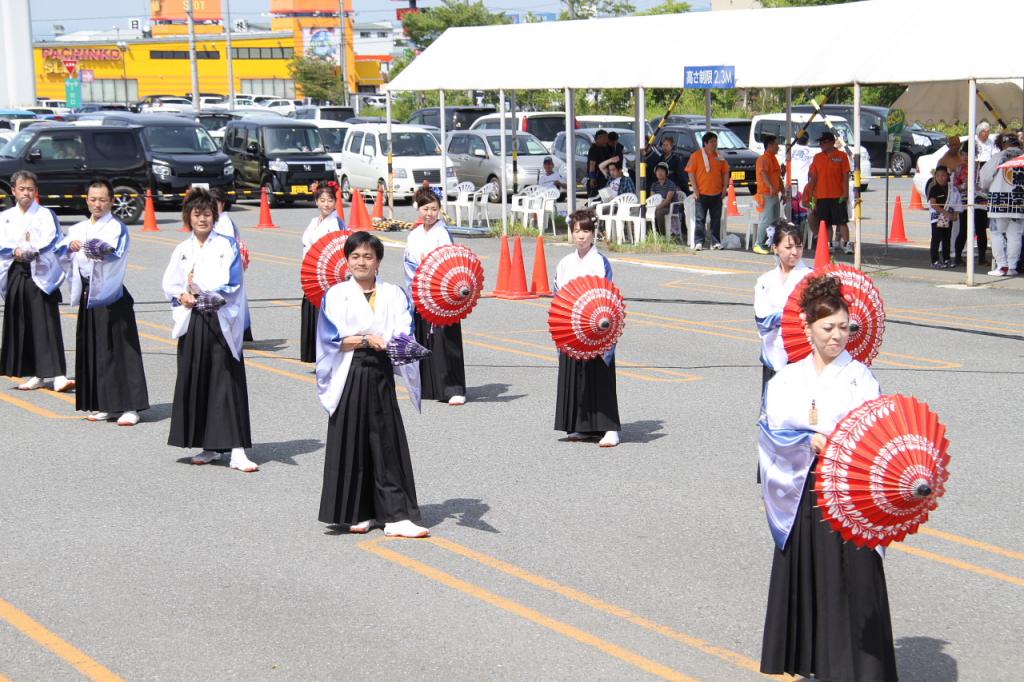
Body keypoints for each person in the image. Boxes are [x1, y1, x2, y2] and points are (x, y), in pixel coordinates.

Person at [758, 274, 897, 681]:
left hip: (848, 490)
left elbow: (878, 435)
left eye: (844, 327)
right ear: (808, 328)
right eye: (828, 328)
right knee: (810, 576)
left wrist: (841, 444)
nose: (837, 336)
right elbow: (769, 433)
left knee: (855, 579)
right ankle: (814, 662)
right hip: (802, 487)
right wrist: (804, 441)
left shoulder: (860, 377)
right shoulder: (787, 378)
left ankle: (861, 671)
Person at [316, 231, 428, 538]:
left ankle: (395, 515)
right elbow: (330, 340)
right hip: (349, 371)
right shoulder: (335, 294)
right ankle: (358, 511)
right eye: (355, 256)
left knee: (385, 440)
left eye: (368, 256)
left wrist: (391, 342)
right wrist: (366, 339)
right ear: (347, 260)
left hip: (379, 371)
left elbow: (404, 330)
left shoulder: (393, 294)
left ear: (378, 261)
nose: (361, 262)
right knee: (351, 439)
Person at [162, 188, 258, 473]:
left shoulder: (227, 245)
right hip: (193, 321)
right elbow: (170, 283)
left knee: (226, 382)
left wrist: (205, 293)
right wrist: (182, 296)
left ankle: (237, 449)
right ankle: (209, 445)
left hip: (220, 320)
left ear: (214, 217)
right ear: (188, 217)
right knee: (199, 380)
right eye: (197, 214)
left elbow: (233, 283)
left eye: (207, 214)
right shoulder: (183, 249)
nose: (202, 219)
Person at [57, 179, 149, 425]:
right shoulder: (78, 228)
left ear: (111, 201)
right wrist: (69, 247)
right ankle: (105, 403)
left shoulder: (117, 227)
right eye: (93, 199)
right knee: (96, 350)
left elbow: (114, 252)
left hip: (112, 294)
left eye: (102, 200)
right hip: (89, 293)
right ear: (86, 200)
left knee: (121, 350)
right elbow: (60, 250)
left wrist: (92, 247)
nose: (97, 204)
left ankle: (130, 406)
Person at [0, 170, 73, 393]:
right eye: (22, 189)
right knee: (24, 322)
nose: (26, 193)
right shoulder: (5, 216)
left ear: (36, 191)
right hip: (16, 270)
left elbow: (53, 240)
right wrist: (15, 251)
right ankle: (36, 373)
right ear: (13, 191)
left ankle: (59, 375)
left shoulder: (45, 214)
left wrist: (33, 250)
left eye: (30, 189)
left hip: (41, 272)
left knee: (47, 322)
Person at [554, 209, 620, 448]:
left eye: (585, 231)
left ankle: (610, 427)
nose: (581, 236)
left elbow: (606, 292)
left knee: (600, 374)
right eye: (576, 231)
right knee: (576, 374)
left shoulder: (599, 261)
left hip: (595, 325)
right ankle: (582, 424)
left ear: (593, 233)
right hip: (572, 325)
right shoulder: (565, 263)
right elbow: (558, 294)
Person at [403, 187, 467, 405]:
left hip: (441, 294)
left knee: (446, 340)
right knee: (424, 338)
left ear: (439, 210)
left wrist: (429, 267)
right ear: (418, 209)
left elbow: (450, 262)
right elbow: (408, 262)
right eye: (425, 208)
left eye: (433, 209)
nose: (429, 213)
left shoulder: (443, 234)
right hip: (420, 291)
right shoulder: (414, 234)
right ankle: (429, 386)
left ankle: (453, 387)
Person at [754, 221, 811, 403]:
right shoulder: (765, 280)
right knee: (773, 407)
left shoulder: (811, 278)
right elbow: (762, 319)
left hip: (802, 353)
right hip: (773, 350)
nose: (795, 252)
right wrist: (791, 316)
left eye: (799, 246)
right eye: (788, 247)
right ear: (775, 248)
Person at [300, 183, 348, 362]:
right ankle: (317, 355)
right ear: (316, 202)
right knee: (313, 312)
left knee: (327, 315)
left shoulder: (336, 223)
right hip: (312, 273)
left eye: (330, 200)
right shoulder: (314, 222)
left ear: (335, 202)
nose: (326, 204)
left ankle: (329, 356)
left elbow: (340, 250)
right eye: (322, 200)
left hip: (328, 276)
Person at [210, 187, 253, 341]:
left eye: (216, 203)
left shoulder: (225, 222)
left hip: (226, 265)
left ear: (223, 204)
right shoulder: (216, 220)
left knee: (229, 299)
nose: (213, 206)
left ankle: (232, 331)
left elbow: (228, 246)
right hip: (219, 263)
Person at [980, 132, 1024, 276]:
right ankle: (1012, 266)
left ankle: (1002, 265)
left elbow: (985, 178)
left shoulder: (998, 157)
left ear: (1003, 144)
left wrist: (986, 190)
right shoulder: (1022, 158)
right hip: (1019, 201)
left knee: (996, 233)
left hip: (999, 200)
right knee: (1015, 235)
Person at [805, 131, 853, 255]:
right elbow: (813, 177)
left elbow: (845, 175)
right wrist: (811, 194)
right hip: (821, 195)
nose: (821, 145)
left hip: (838, 195)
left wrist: (846, 192)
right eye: (820, 143)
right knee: (826, 223)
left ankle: (847, 244)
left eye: (824, 142)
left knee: (842, 221)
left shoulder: (841, 156)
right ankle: (829, 244)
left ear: (832, 142)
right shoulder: (817, 157)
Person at [685, 131, 730, 250]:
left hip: (717, 193)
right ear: (705, 143)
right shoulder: (696, 156)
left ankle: (715, 242)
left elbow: (725, 172)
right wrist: (695, 190)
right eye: (712, 142)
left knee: (716, 219)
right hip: (701, 193)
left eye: (715, 141)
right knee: (700, 219)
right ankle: (699, 242)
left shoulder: (719, 156)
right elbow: (691, 173)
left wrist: (724, 188)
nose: (714, 144)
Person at [754, 135, 783, 255]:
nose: (778, 147)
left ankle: (770, 243)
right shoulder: (763, 159)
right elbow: (763, 174)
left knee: (775, 220)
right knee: (766, 220)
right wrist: (770, 186)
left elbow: (778, 176)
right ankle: (758, 244)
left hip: (774, 194)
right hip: (766, 194)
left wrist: (782, 190)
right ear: (770, 145)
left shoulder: (773, 159)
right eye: (776, 144)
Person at [927, 166, 956, 269]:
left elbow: (956, 202)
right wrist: (945, 212)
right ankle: (934, 261)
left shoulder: (951, 189)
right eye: (938, 175)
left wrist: (955, 214)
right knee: (936, 238)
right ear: (935, 176)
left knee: (946, 238)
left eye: (943, 175)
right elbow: (933, 204)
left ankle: (946, 259)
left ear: (947, 176)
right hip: (937, 217)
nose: (940, 178)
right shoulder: (934, 189)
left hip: (947, 217)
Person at [649, 162, 680, 238]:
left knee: (659, 212)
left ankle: (662, 235)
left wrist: (657, 207)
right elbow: (653, 198)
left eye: (662, 170)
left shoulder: (671, 184)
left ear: (666, 173)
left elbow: (668, 200)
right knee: (645, 212)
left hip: (669, 207)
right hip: (658, 205)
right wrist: (655, 207)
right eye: (658, 170)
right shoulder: (654, 185)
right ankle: (650, 233)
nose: (659, 172)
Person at [586, 130, 612, 198]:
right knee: (595, 198)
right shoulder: (593, 149)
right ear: (599, 138)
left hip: (605, 178)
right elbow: (592, 164)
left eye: (607, 138)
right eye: (604, 138)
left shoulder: (605, 148)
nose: (606, 141)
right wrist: (592, 178)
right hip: (597, 179)